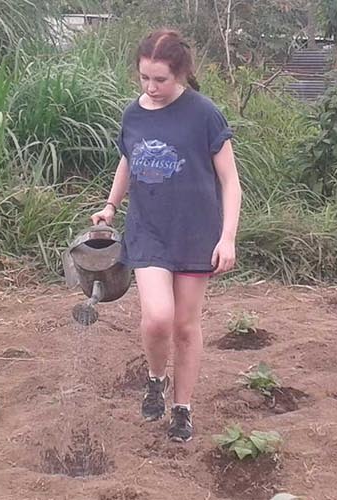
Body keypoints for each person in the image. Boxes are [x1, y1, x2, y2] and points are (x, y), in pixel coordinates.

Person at [91, 28, 243, 442]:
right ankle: (156, 378)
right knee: (157, 318)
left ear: (180, 74)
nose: (152, 88)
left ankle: (183, 408)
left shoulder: (204, 113)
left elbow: (230, 181)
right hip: (149, 230)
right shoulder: (133, 113)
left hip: (196, 234)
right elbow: (128, 161)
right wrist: (110, 206)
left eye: (161, 79)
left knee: (185, 326)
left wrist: (227, 237)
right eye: (144, 78)